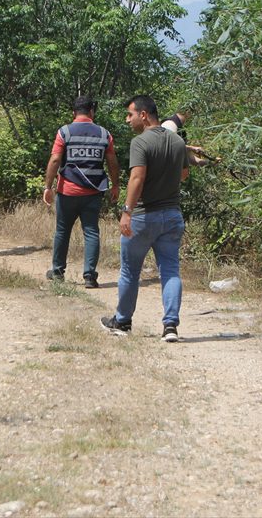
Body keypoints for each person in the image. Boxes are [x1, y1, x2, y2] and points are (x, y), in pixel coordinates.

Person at [101, 94, 189, 342]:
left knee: (130, 271)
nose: (127, 120)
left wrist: (126, 211)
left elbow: (137, 178)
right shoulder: (178, 142)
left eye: (130, 114)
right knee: (170, 270)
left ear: (143, 114)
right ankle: (170, 326)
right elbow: (183, 175)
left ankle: (122, 321)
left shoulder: (140, 143)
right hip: (172, 215)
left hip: (143, 215)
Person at [42, 96, 120, 288]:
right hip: (93, 193)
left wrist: (48, 186)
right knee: (91, 232)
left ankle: (58, 273)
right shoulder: (104, 134)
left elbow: (54, 160)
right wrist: (116, 185)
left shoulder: (65, 132)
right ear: (91, 112)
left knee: (62, 231)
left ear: (74, 112)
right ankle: (90, 277)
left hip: (67, 191)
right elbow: (112, 162)